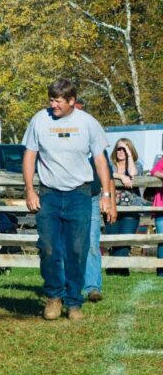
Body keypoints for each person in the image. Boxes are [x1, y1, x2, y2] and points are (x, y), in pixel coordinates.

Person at [23, 78, 112, 321]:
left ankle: (74, 302)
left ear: (72, 101)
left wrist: (106, 194)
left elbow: (100, 160)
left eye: (58, 101)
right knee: (49, 248)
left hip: (79, 194)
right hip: (49, 194)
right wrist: (30, 190)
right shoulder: (39, 120)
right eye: (51, 100)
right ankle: (54, 296)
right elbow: (30, 156)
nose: (53, 105)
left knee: (77, 249)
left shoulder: (88, 123)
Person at [74, 98, 116, 303]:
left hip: (91, 196)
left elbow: (106, 171)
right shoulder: (64, 137)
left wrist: (108, 198)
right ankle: (71, 286)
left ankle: (92, 286)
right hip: (70, 195)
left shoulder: (95, 139)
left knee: (91, 241)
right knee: (70, 243)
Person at [104, 138, 144, 276]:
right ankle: (118, 270)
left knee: (124, 241)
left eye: (124, 149)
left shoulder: (136, 164)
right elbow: (103, 172)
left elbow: (133, 174)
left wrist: (129, 155)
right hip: (111, 208)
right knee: (113, 240)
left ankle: (117, 271)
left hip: (131, 211)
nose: (121, 151)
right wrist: (120, 176)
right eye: (119, 148)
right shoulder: (110, 165)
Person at [151, 158, 163, 277]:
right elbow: (154, 171)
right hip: (161, 207)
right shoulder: (162, 160)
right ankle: (161, 272)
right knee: (162, 239)